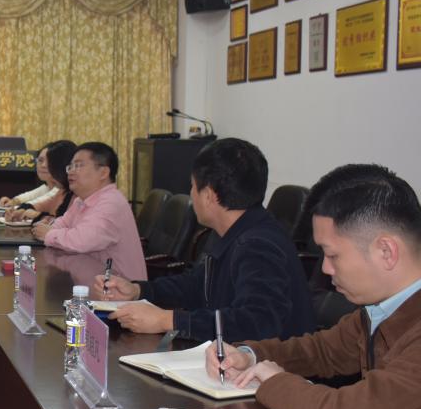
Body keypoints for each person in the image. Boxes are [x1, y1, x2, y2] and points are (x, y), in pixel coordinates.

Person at [207, 164, 421, 409]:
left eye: (332, 255)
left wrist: (274, 381)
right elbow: (323, 351)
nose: (325, 269)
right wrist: (249, 355)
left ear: (386, 251)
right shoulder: (394, 302)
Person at [94, 138, 315, 341]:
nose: (191, 193)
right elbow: (197, 285)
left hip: (268, 366)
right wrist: (138, 290)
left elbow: (256, 322)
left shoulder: (257, 245)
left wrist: (167, 320)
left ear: (208, 196)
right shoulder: (233, 230)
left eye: (192, 186)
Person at [35, 142, 146, 280]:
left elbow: (82, 240)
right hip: (92, 278)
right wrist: (49, 230)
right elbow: (61, 224)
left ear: (103, 173)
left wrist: (49, 234)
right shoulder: (81, 200)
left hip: (118, 287)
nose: (71, 172)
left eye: (78, 165)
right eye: (70, 166)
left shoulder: (111, 203)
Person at [4, 140, 77, 221]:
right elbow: (37, 205)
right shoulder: (61, 191)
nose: (44, 165)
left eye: (51, 162)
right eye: (40, 160)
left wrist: (37, 215)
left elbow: (65, 223)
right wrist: (19, 212)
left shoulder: (76, 194)